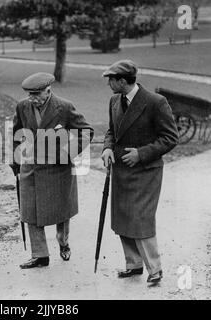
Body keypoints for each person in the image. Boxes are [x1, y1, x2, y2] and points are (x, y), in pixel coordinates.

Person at [101, 60, 179, 283]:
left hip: (146, 170)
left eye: (111, 80)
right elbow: (111, 131)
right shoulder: (114, 100)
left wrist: (141, 153)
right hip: (121, 170)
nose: (109, 84)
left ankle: (155, 269)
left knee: (141, 218)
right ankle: (133, 265)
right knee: (123, 217)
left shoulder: (155, 102)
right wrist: (107, 148)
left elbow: (171, 138)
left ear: (123, 81)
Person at [11, 72, 94, 269]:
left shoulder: (64, 107)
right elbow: (16, 133)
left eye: (36, 94)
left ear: (48, 91)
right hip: (31, 167)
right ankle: (40, 255)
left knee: (60, 210)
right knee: (29, 210)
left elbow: (86, 131)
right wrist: (15, 163)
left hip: (58, 169)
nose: (32, 98)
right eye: (29, 94)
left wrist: (67, 153)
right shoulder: (23, 106)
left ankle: (63, 241)